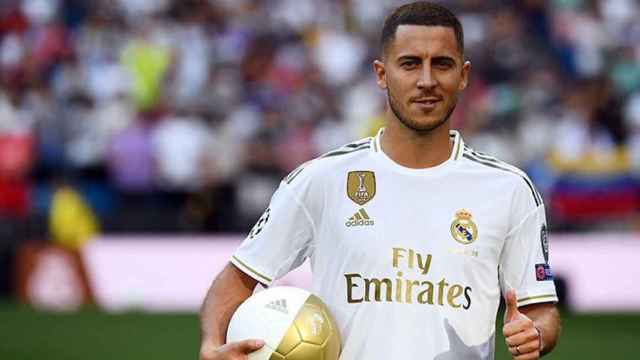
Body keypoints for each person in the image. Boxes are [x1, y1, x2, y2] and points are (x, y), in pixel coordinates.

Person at [199, 2, 561, 359]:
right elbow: (238, 277)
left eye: (442, 64)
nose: (426, 80)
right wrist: (212, 344)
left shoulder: (509, 190)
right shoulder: (321, 180)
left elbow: (540, 311)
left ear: (463, 76)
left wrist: (535, 334)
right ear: (381, 73)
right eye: (409, 64)